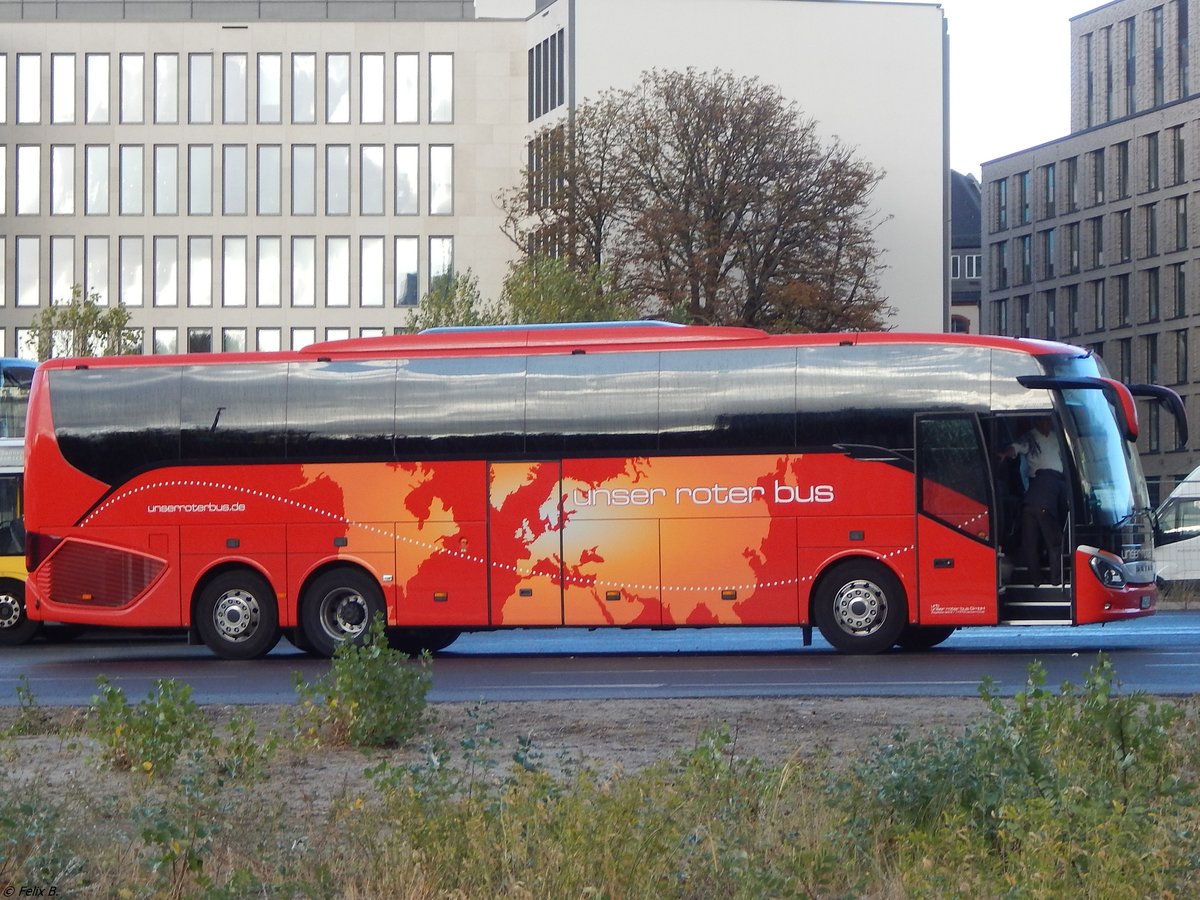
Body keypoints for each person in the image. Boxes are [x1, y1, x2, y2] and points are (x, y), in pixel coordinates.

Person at [1000, 416, 1068, 585]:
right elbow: (1015, 448)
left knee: (1030, 542)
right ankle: (1055, 580)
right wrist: (1004, 454)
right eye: (1043, 421)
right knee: (1053, 542)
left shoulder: (1057, 437)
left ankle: (1036, 580)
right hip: (1045, 493)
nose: (1047, 423)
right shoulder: (1030, 438)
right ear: (1036, 422)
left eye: (1048, 421)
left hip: (1031, 499)